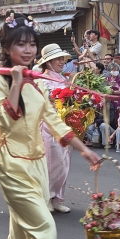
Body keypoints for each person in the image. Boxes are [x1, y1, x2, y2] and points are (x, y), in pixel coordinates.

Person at [0, 14, 100, 239]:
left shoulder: (36, 83)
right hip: (12, 164)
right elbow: (6, 121)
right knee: (44, 228)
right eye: (20, 43)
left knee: (22, 228)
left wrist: (84, 149)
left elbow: (55, 120)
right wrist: (16, 82)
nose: (27, 49)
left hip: (38, 166)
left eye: (31, 43)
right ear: (7, 46)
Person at [34, 43, 74, 214]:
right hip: (48, 127)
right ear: (48, 62)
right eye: (58, 59)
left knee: (64, 163)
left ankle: (57, 198)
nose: (62, 62)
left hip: (64, 126)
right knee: (52, 163)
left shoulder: (63, 79)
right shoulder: (41, 80)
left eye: (62, 59)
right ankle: (46, 197)